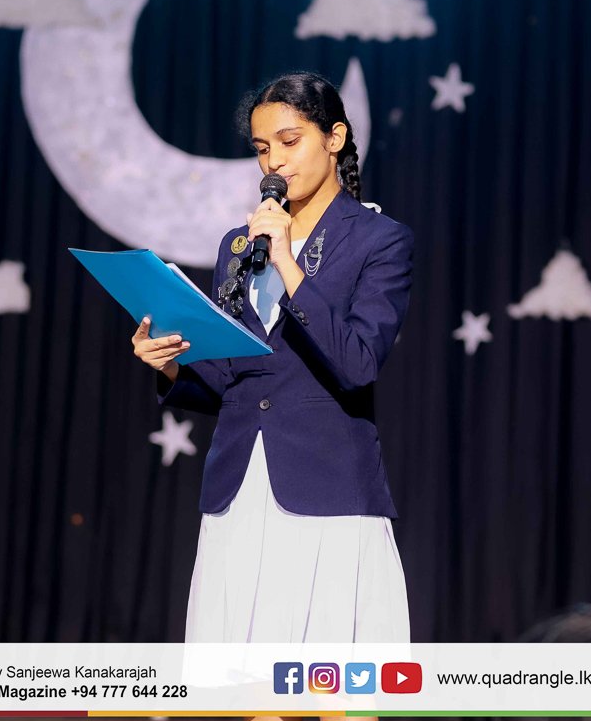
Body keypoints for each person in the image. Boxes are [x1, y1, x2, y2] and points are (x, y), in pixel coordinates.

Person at [131, 71, 414, 658]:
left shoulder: (378, 239)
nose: (274, 162)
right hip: (240, 490)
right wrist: (171, 365)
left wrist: (288, 263)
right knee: (245, 685)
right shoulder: (238, 245)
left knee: (334, 683)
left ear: (334, 138)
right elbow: (232, 378)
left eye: (289, 141)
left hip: (328, 490)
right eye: (262, 149)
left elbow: (358, 363)